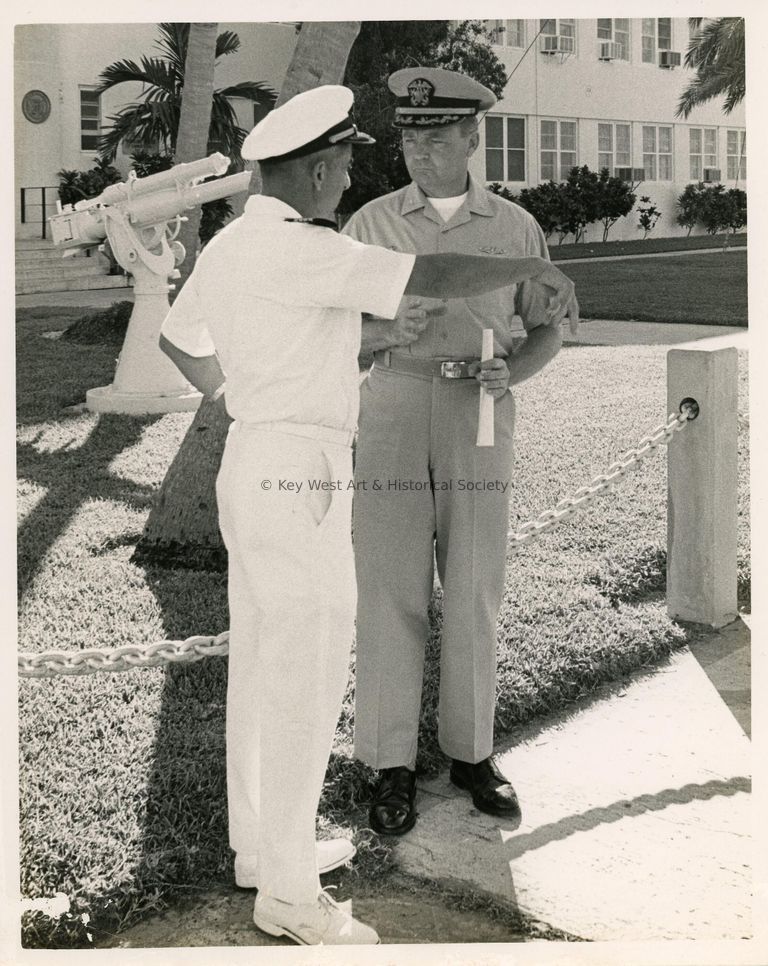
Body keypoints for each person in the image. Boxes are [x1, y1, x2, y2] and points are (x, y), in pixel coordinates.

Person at [158, 84, 576, 945]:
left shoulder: (234, 244)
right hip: (302, 472)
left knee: (262, 673)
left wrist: (248, 399)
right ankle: (289, 899)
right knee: (306, 678)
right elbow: (434, 272)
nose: (350, 179)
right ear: (313, 170)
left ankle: (261, 852)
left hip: (255, 460)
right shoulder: (309, 244)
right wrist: (529, 267)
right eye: (343, 165)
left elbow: (178, 340)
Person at [342, 67, 579, 837]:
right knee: (388, 585)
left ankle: (473, 753)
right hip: (395, 404)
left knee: (475, 580)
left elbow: (551, 325)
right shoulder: (369, 225)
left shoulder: (515, 229)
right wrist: (381, 336)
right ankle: (388, 763)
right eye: (410, 136)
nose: (419, 151)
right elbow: (332, 335)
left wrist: (517, 369)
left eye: (437, 137)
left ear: (473, 138)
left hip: (480, 408)